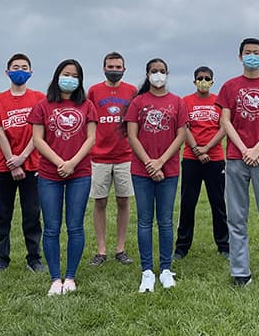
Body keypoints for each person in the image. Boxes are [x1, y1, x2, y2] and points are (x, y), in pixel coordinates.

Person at [216, 38, 259, 288]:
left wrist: (256, 148)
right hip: (236, 157)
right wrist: (244, 148)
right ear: (240, 57)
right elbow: (226, 121)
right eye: (247, 52)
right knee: (236, 216)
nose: (251, 56)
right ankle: (240, 270)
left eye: (256, 52)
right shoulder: (229, 87)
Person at [28, 59, 97, 296]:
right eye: (66, 74)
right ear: (57, 76)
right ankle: (55, 278)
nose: (70, 78)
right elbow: (38, 139)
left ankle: (71, 276)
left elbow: (90, 138)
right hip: (49, 174)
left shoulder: (87, 105)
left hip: (80, 173)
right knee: (51, 227)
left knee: (75, 226)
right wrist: (59, 163)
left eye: (74, 75)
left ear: (80, 80)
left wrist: (72, 163)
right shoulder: (42, 106)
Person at [124, 58, 188, 292]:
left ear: (167, 74)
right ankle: (147, 271)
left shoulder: (178, 102)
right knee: (144, 221)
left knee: (165, 221)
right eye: (154, 71)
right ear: (147, 74)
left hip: (169, 170)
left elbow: (180, 136)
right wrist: (149, 163)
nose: (158, 75)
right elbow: (132, 135)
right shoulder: (138, 102)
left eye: (162, 71)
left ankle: (166, 269)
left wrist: (161, 161)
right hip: (141, 171)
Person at [0, 53, 46, 274]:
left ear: (30, 72)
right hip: (3, 166)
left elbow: (39, 132)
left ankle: (34, 258)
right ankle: (2, 259)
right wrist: (12, 162)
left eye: (24, 67)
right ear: (7, 72)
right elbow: (0, 133)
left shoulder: (39, 97)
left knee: (32, 213)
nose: (20, 70)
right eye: (15, 66)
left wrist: (23, 158)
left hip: (32, 165)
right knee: (1, 214)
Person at [173, 66, 229, 260]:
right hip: (191, 158)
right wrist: (197, 149)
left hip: (215, 159)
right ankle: (181, 248)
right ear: (194, 81)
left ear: (212, 81)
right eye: (200, 78)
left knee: (218, 203)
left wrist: (207, 149)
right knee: (188, 204)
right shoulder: (185, 101)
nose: (203, 81)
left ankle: (224, 246)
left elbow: (223, 128)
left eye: (207, 78)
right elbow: (184, 127)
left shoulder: (219, 102)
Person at [87, 52, 136, 267]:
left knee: (123, 200)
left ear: (124, 69)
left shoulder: (131, 91)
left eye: (118, 67)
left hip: (125, 155)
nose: (114, 70)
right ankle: (101, 250)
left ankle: (120, 248)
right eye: (110, 66)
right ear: (103, 67)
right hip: (99, 156)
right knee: (100, 201)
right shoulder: (94, 91)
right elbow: (90, 121)